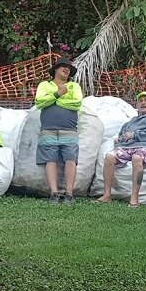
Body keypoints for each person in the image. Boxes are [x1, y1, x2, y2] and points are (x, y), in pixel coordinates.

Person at [98, 91, 146, 207]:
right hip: (127, 147)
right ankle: (106, 195)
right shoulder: (131, 121)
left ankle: (134, 197)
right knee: (109, 157)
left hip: (144, 145)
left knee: (137, 158)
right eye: (140, 101)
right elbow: (122, 134)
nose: (143, 103)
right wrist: (119, 140)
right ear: (137, 106)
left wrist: (135, 134)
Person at [34, 56, 83, 205]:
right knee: (50, 160)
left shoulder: (74, 87)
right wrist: (57, 94)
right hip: (48, 129)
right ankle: (54, 194)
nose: (67, 70)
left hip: (69, 129)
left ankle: (69, 194)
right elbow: (39, 102)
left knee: (71, 160)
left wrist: (55, 99)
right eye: (63, 67)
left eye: (69, 69)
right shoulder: (44, 85)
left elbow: (77, 103)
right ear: (55, 69)